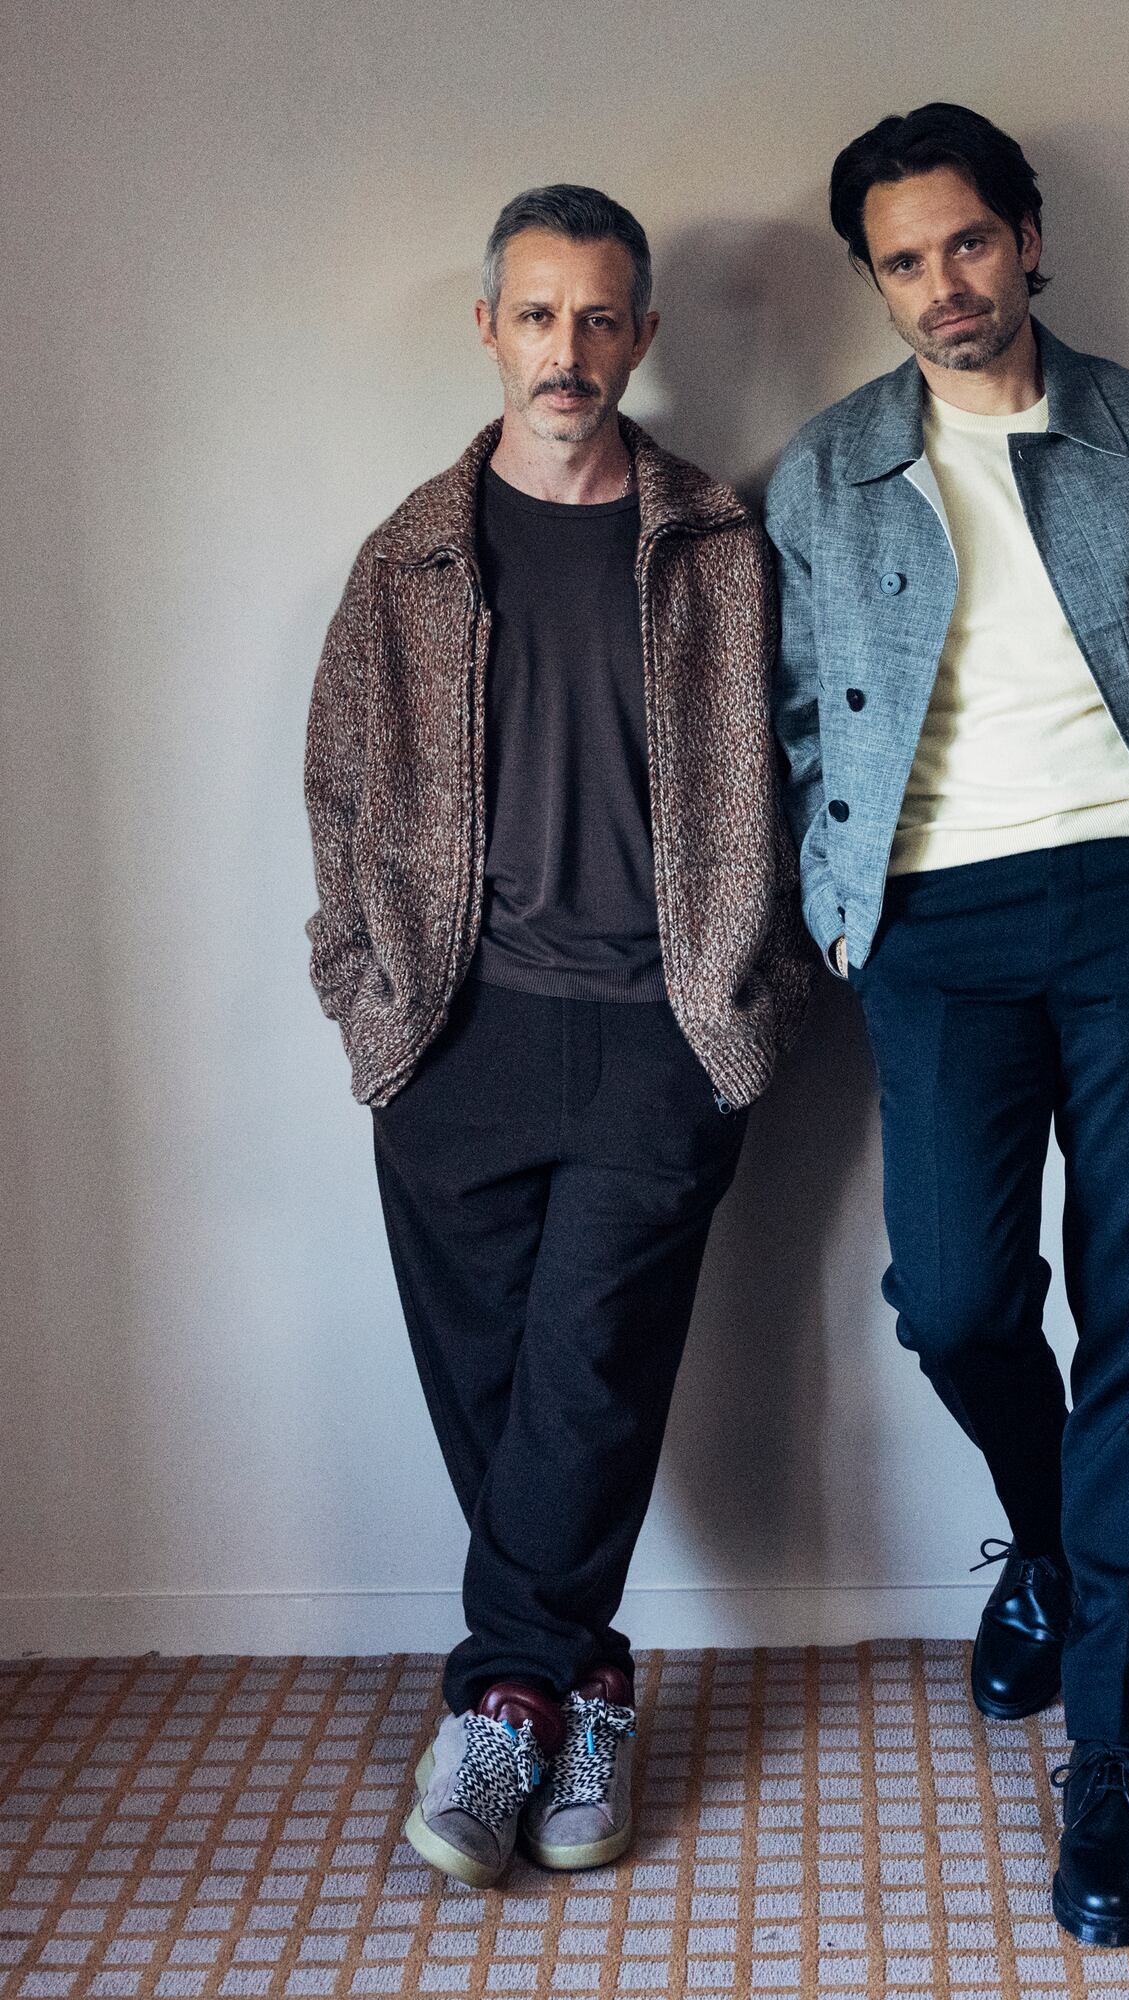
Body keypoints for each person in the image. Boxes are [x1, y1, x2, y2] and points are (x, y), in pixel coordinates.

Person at [766, 104, 1129, 1946]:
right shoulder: (828, 473)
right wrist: (834, 900)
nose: (945, 286)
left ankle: (1113, 1758)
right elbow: (787, 719)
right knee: (953, 1298)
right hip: (934, 923)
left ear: (1027, 237)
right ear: (874, 281)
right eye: (903, 260)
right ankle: (1064, 1547)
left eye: (968, 243)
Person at [303, 184, 810, 1887]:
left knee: (588, 1370)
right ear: (491, 330)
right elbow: (338, 791)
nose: (568, 351)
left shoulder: (720, 549)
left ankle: (500, 1694)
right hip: (453, 1033)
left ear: (645, 338)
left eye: (602, 318)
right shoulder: (410, 557)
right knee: (499, 1392)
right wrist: (367, 999)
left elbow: (800, 774)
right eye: (539, 315)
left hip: (664, 1025)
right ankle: (588, 1679)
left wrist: (746, 990)